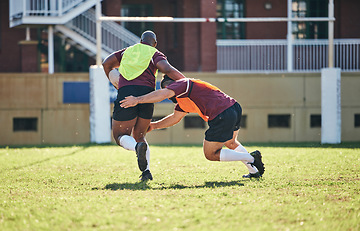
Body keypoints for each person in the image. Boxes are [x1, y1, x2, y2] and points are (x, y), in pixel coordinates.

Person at [120, 75, 265, 179]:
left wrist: (137, 100)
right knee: (231, 142)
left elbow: (163, 93)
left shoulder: (183, 84)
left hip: (221, 113)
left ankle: (251, 158)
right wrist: (154, 126)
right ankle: (253, 171)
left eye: (169, 88)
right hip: (233, 107)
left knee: (211, 154)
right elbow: (175, 118)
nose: (169, 93)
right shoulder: (184, 100)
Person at [102, 30, 185, 181]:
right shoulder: (155, 53)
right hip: (147, 97)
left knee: (120, 135)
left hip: (127, 95)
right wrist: (186, 81)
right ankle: (146, 172)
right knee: (140, 135)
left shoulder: (128, 51)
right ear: (155, 44)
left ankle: (136, 148)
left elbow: (106, 63)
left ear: (140, 41)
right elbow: (166, 69)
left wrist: (115, 81)